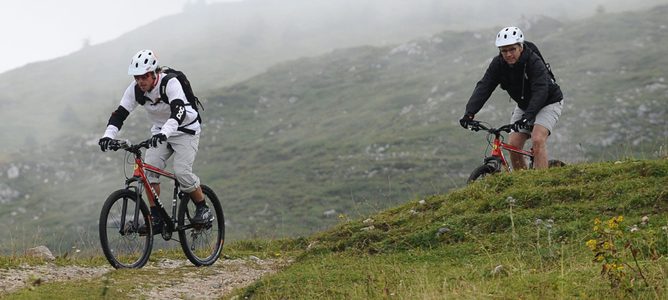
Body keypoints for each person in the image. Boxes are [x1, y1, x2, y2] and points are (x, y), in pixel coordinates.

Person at [98, 49, 210, 233]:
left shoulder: (170, 83)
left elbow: (179, 111)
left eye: (144, 76)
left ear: (153, 73)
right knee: (148, 172)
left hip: (186, 130)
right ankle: (156, 218)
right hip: (160, 132)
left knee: (182, 172)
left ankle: (202, 207)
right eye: (137, 77)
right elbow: (120, 114)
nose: (140, 81)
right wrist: (108, 135)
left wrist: (165, 132)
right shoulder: (135, 90)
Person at [460, 26, 563, 169]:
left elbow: (541, 90)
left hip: (548, 102)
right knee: (513, 145)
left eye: (512, 49)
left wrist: (528, 116)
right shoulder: (498, 64)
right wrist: (469, 113)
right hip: (525, 105)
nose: (508, 54)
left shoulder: (533, 61)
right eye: (504, 51)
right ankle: (522, 183)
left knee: (537, 139)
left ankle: (542, 183)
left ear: (520, 47)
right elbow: (485, 86)